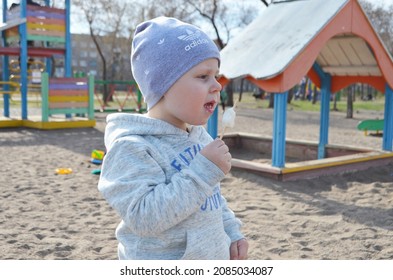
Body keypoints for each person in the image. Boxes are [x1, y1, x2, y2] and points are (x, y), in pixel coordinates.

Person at [98, 16, 248, 260]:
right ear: (163, 84)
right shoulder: (131, 146)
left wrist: (231, 232)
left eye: (216, 76)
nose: (217, 86)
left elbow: (212, 198)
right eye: (203, 76)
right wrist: (202, 172)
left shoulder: (199, 137)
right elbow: (144, 218)